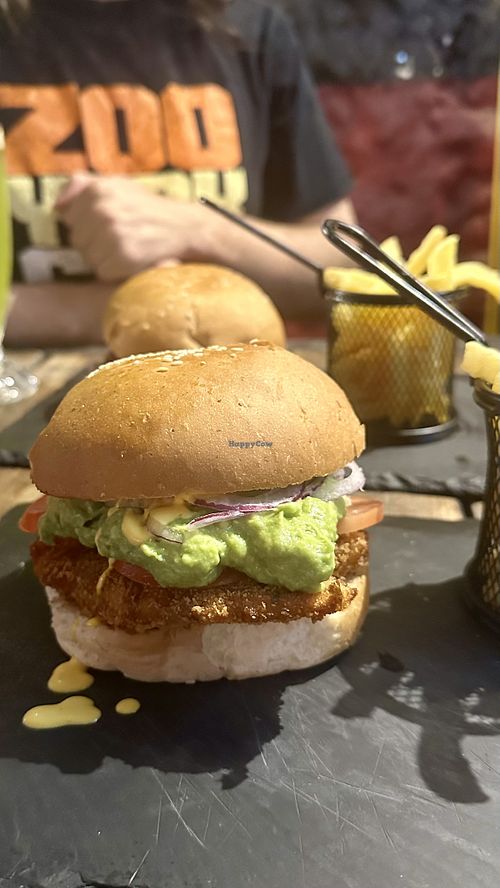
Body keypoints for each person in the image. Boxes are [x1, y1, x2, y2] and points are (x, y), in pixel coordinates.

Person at [0, 0, 355, 345]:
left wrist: (200, 229)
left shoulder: (251, 29)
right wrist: (129, 310)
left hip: (225, 384)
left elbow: (341, 269)